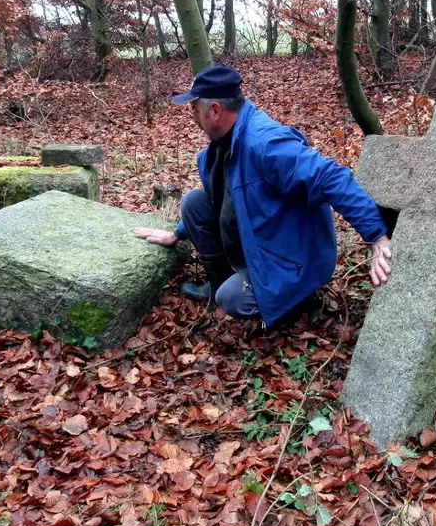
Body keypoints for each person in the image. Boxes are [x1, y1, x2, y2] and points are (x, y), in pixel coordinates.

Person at [135, 64, 392, 328]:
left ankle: (289, 303)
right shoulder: (224, 143)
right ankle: (221, 280)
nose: (192, 117)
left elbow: (332, 178)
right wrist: (177, 234)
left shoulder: (267, 144)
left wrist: (376, 237)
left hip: (291, 258)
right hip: (261, 238)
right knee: (193, 203)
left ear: (215, 111)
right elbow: (219, 198)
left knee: (232, 298)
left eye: (194, 110)